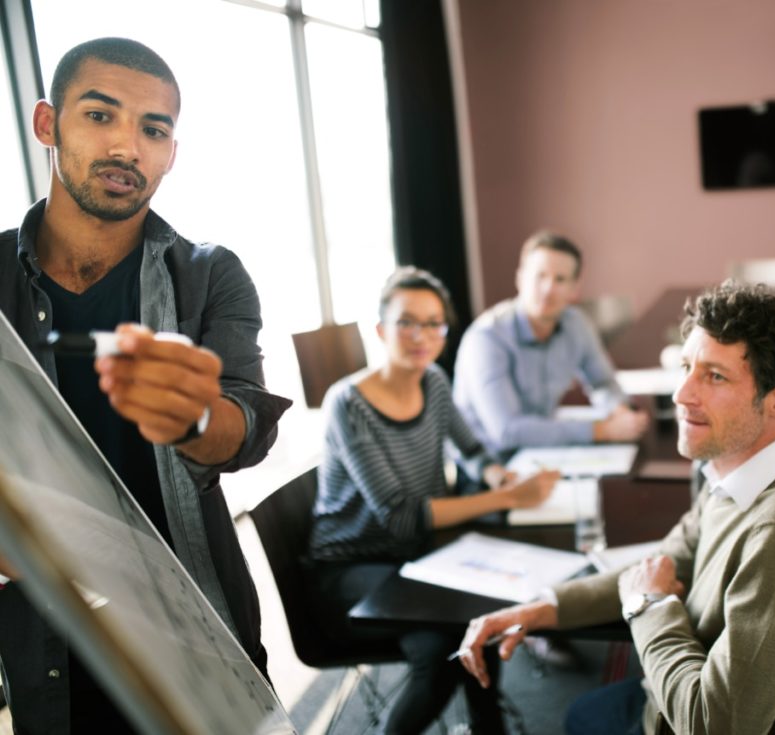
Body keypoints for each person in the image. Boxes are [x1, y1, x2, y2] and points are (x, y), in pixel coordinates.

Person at [0, 38, 291, 733]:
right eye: (100, 116)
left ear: (170, 151)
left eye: (153, 129)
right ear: (48, 124)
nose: (128, 147)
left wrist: (194, 418)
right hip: (48, 640)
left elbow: (244, 424)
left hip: (198, 624)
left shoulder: (210, 274)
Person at [456, 284, 775, 735]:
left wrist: (649, 605)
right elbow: (661, 564)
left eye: (714, 376)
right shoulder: (734, 470)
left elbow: (718, 724)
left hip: (685, 719)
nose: (681, 394)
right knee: (581, 714)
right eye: (686, 367)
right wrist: (538, 609)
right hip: (668, 694)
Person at [307, 267, 559, 734]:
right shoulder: (348, 403)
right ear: (382, 330)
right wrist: (504, 497)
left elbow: (473, 452)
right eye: (407, 322)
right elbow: (401, 516)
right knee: (443, 654)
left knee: (482, 622)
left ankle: (490, 728)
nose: (421, 335)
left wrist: (497, 474)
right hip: (351, 567)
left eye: (433, 323)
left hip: (418, 556)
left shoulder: (434, 383)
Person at [453, 230, 649, 456]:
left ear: (575, 289)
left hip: (544, 451)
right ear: (520, 278)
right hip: (490, 464)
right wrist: (601, 430)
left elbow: (603, 382)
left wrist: (620, 411)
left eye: (560, 279)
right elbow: (507, 431)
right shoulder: (487, 338)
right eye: (540, 276)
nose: (548, 289)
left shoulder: (576, 324)